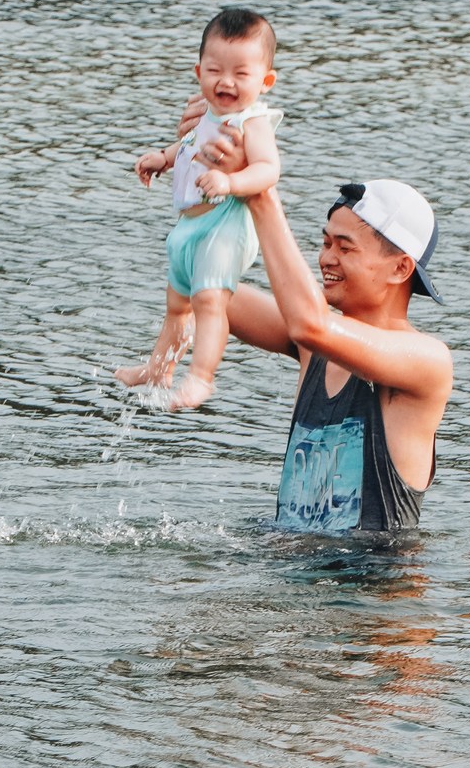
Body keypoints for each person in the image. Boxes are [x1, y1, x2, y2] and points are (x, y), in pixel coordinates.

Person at [191, 114, 453, 534]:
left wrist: (261, 194)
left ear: (401, 268)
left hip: (374, 593)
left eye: (344, 248)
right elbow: (206, 288)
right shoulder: (315, 344)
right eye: (325, 242)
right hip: (296, 577)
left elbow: (310, 324)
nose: (326, 258)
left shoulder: (426, 363)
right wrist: (200, 159)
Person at [114, 8, 284, 410]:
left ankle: (201, 378)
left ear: (265, 81)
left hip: (225, 222)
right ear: (198, 71)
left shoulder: (252, 122)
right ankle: (159, 368)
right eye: (215, 70)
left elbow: (268, 170)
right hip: (189, 226)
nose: (226, 81)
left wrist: (230, 181)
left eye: (241, 74)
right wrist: (163, 156)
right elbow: (192, 147)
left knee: (209, 301)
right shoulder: (207, 114)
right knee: (178, 308)